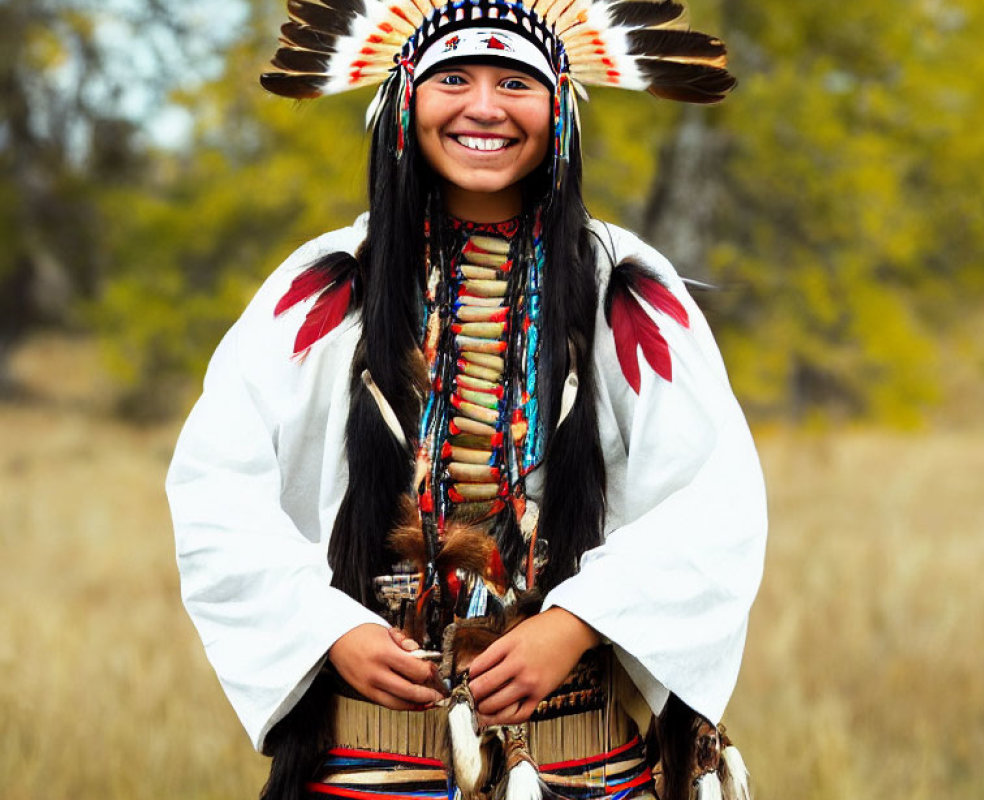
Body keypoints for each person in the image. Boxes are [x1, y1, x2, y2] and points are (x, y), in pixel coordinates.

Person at [166, 0, 767, 798]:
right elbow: (215, 488)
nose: (484, 107)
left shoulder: (621, 287)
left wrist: (577, 621)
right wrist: (327, 626)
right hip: (365, 762)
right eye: (454, 77)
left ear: (559, 106)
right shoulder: (328, 284)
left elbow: (716, 499)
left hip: (580, 760)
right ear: (405, 95)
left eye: (515, 81)